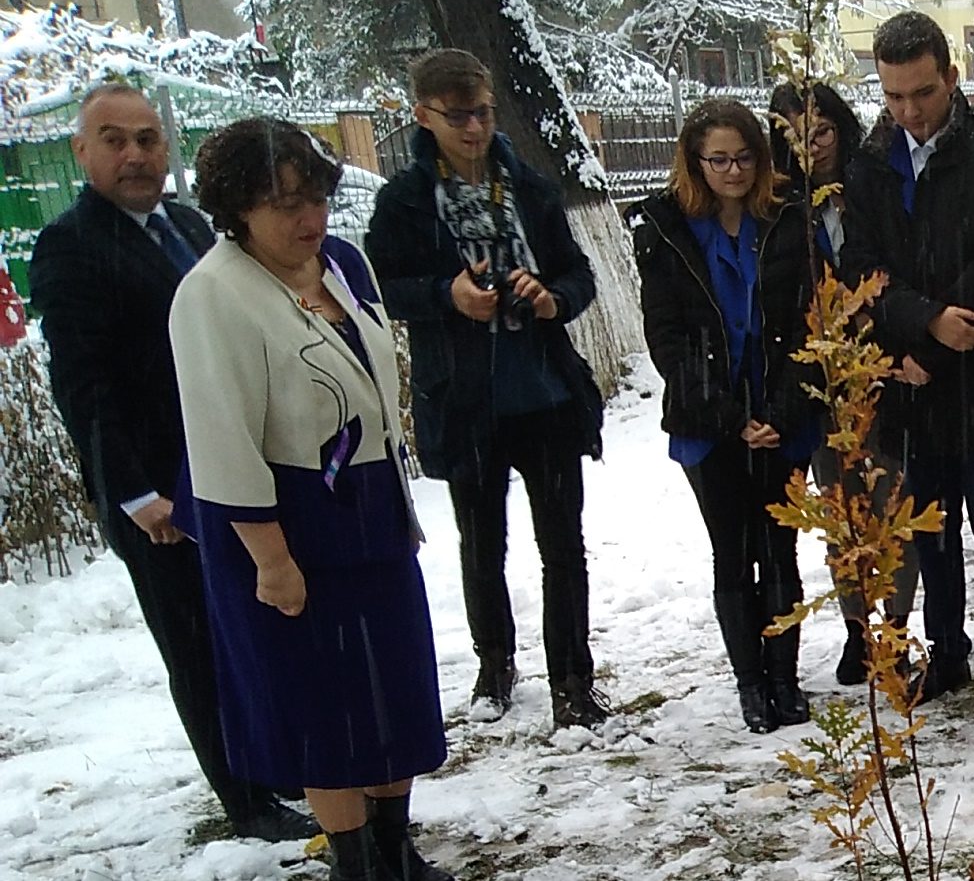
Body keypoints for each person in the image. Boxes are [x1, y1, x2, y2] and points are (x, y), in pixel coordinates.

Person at [29, 83, 318, 843]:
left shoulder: (193, 227)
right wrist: (133, 492)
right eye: (115, 140)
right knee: (198, 642)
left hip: (232, 472)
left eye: (149, 138)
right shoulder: (72, 244)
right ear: (81, 151)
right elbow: (84, 386)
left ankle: (276, 760)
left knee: (253, 628)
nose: (136, 156)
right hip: (159, 493)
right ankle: (245, 796)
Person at [172, 117, 449, 881]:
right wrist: (271, 557)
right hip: (286, 521)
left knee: (395, 686)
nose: (308, 218)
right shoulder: (214, 294)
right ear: (236, 209)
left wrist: (397, 504)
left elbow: (374, 387)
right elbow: (221, 437)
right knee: (326, 704)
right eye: (283, 203)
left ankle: (396, 847)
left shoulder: (345, 266)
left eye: (316, 196)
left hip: (370, 508)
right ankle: (355, 861)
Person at [365, 48, 611, 729]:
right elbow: (380, 287)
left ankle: (572, 677)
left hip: (547, 395)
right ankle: (495, 664)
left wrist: (549, 297)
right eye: (457, 116)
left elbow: (577, 274)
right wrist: (447, 294)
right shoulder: (406, 200)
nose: (473, 128)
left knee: (564, 545)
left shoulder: (528, 186)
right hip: (466, 402)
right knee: (483, 542)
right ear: (424, 115)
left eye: (481, 112)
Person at [839, 10, 974, 729]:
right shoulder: (871, 163)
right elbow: (860, 266)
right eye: (893, 96)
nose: (908, 111)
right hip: (914, 381)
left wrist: (944, 324)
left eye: (921, 93)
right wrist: (919, 327)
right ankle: (948, 649)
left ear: (950, 79)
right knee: (931, 529)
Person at [629, 98, 821, 735]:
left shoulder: (790, 219)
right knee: (732, 553)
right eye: (718, 160)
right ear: (694, 162)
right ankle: (751, 683)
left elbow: (806, 324)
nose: (732, 171)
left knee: (780, 548)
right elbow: (669, 335)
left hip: (783, 414)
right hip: (708, 422)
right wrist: (730, 415)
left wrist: (778, 412)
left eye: (743, 158)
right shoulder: (664, 229)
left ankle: (786, 678)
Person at [767, 80, 922, 687]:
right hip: (823, 382)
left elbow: (897, 265)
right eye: (798, 141)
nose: (814, 150)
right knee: (843, 512)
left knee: (893, 507)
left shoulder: (870, 182)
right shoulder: (779, 210)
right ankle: (858, 631)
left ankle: (898, 632)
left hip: (887, 367)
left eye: (823, 132)